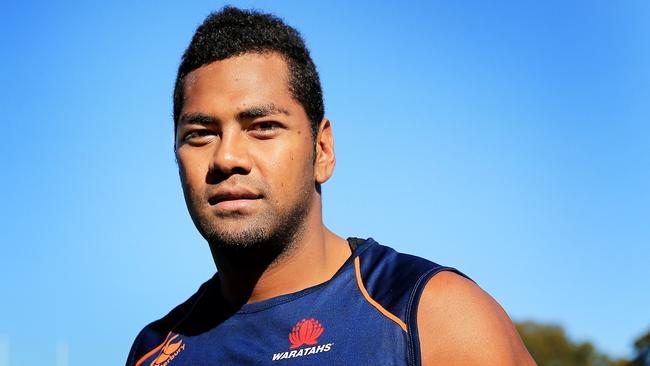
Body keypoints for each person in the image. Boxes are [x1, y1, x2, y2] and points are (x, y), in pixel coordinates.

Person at [127, 6, 535, 366]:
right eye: (200, 133)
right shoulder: (154, 350)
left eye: (263, 127)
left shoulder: (430, 318)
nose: (227, 158)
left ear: (322, 150)